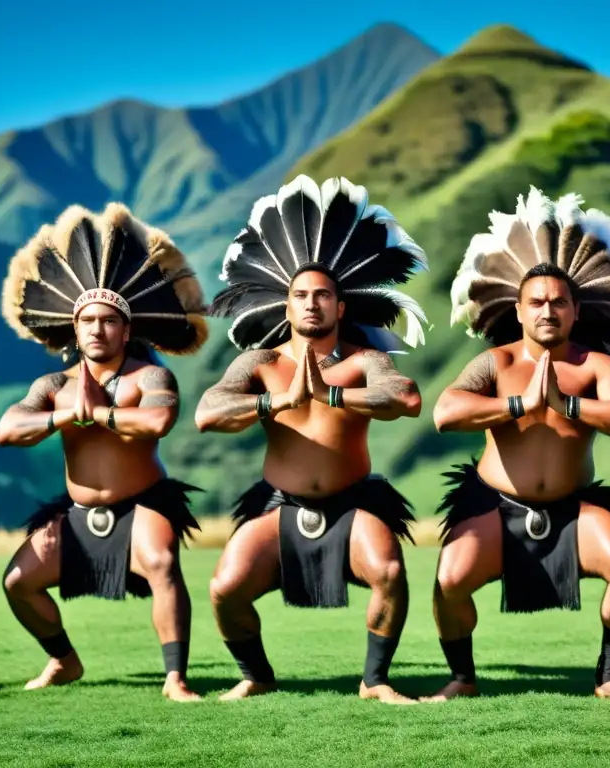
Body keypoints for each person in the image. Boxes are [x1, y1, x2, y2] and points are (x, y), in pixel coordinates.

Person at [426, 188, 610, 705]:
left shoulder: (596, 366)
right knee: (449, 578)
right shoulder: (495, 363)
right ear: (518, 311)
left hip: (573, 506)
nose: (548, 311)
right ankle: (462, 678)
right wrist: (518, 406)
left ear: (575, 310)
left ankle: (609, 677)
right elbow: (446, 412)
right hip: (494, 503)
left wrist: (567, 406)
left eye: (559, 303)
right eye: (536, 303)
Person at [195, 174, 428, 704]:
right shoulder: (260, 363)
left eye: (323, 296)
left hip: (355, 502)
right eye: (301, 295)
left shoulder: (367, 361)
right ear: (286, 305)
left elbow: (405, 400)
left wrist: (330, 394)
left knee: (389, 569)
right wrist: (277, 402)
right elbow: (209, 412)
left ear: (341, 307)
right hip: (279, 503)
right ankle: (256, 673)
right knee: (224, 589)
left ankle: (375, 681)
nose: (312, 304)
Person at [0, 203, 209, 701]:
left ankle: (175, 678)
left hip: (144, 504)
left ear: (126, 329)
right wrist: (69, 415)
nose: (97, 329)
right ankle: (63, 660)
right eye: (88, 320)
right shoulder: (53, 384)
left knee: (160, 562)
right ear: (74, 328)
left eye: (109, 321)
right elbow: (8, 428)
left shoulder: (150, 376)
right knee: (17, 581)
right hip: (76, 511)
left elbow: (157, 421)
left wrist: (102, 415)